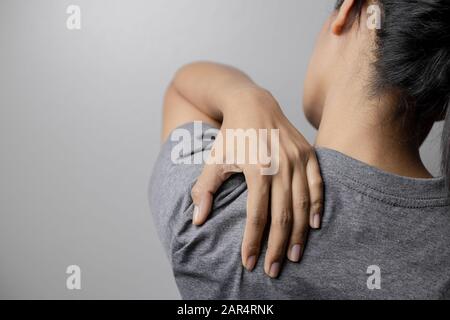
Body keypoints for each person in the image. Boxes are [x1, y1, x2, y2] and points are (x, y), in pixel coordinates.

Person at [149, 0, 450, 299]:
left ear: (351, 10)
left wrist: (244, 97)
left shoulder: (215, 208)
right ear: (440, 101)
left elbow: (181, 93)